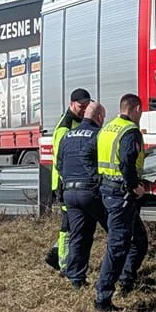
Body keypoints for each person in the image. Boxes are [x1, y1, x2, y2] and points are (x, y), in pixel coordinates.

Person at [95, 93, 149, 312]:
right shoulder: (130, 131)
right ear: (135, 108)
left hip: (107, 189)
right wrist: (134, 185)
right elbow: (127, 160)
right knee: (118, 245)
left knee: (139, 240)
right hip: (122, 194)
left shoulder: (108, 128)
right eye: (141, 111)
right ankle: (103, 296)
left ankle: (126, 281)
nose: (141, 115)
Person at [56, 101, 106, 294]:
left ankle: (76, 278)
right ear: (99, 117)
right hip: (90, 192)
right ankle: (118, 275)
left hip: (69, 193)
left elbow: (59, 164)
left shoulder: (66, 135)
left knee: (78, 236)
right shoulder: (98, 135)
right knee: (116, 232)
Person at [45, 88, 95, 272]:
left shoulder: (77, 122)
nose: (84, 110)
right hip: (64, 183)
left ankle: (57, 253)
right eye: (81, 106)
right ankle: (64, 263)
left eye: (86, 106)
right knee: (67, 226)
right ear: (71, 104)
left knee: (74, 223)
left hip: (71, 183)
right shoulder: (65, 127)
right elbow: (61, 160)